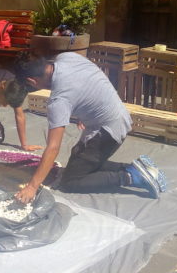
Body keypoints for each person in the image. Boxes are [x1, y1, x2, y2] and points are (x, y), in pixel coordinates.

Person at [13, 52, 167, 203]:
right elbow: (89, 79)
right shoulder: (67, 57)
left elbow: (53, 147)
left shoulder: (59, 100)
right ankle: (135, 168)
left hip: (108, 131)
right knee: (78, 160)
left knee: (71, 181)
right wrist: (87, 108)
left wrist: (32, 186)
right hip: (118, 115)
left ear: (32, 82)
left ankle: (131, 177)